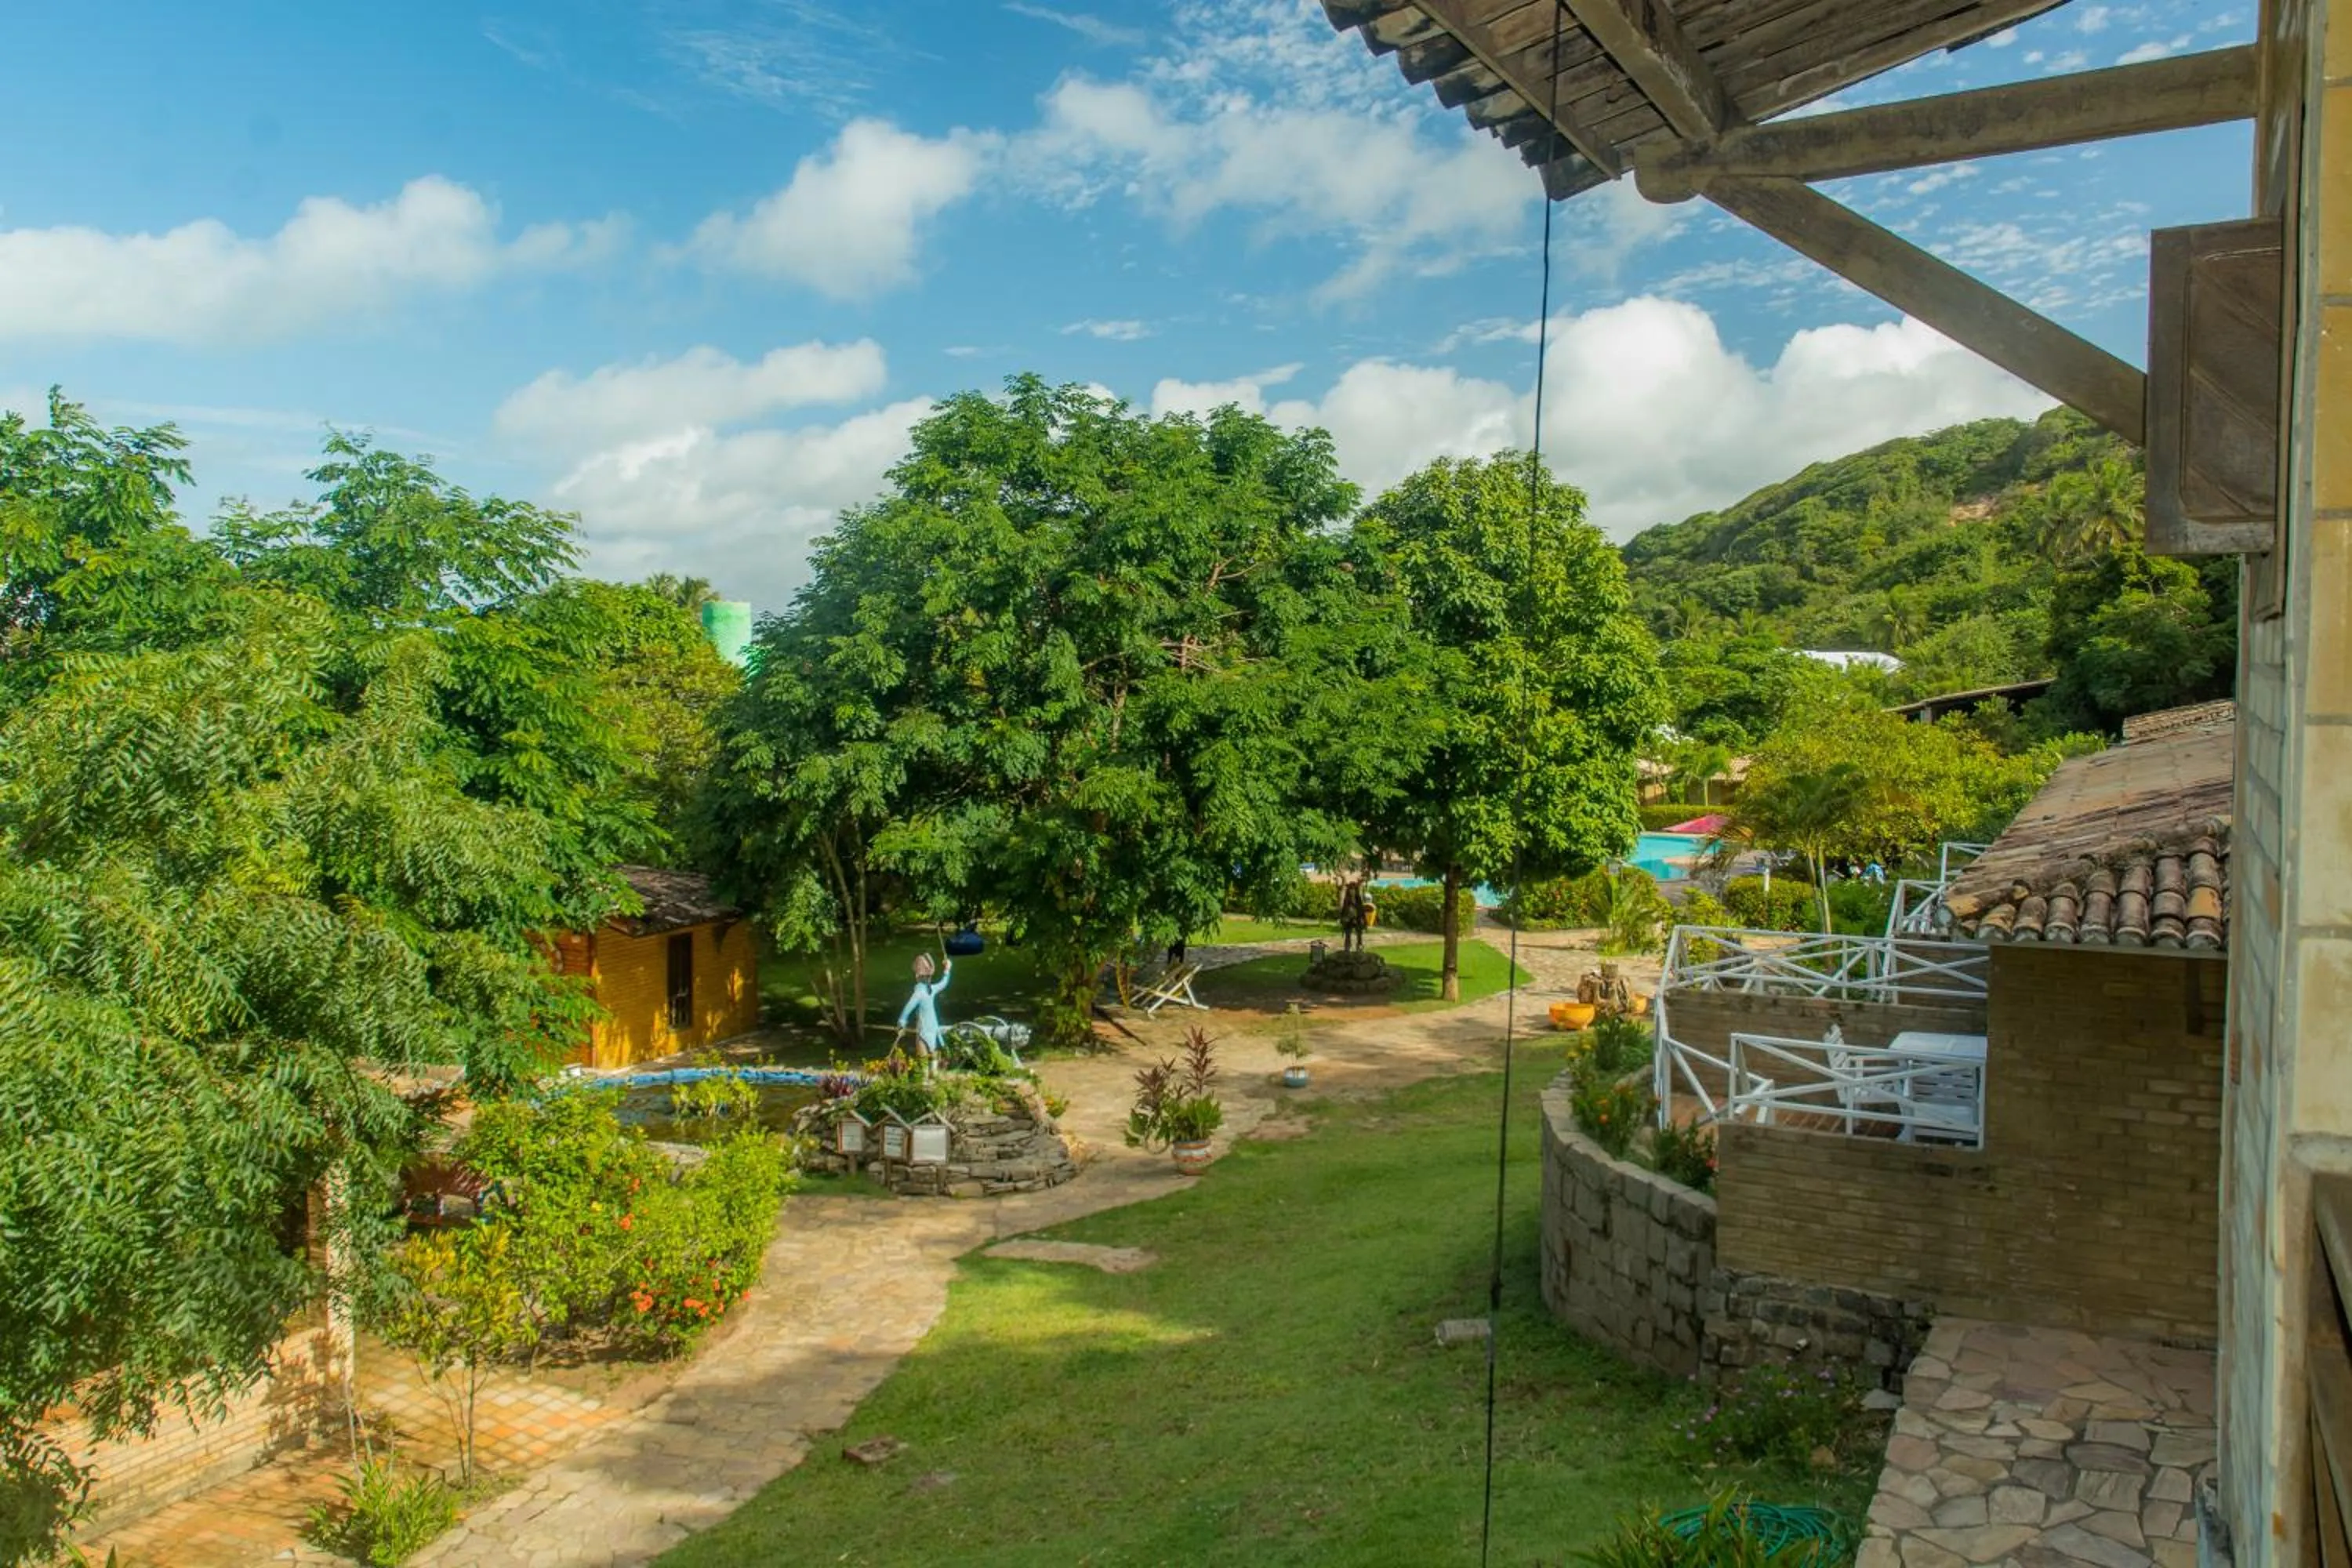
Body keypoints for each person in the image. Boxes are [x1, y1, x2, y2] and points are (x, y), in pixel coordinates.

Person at [898, 953, 953, 1072]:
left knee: (923, 1055)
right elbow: (944, 983)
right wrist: (947, 970)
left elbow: (907, 1009)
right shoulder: (931, 990)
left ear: (917, 976)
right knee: (933, 1052)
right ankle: (933, 1075)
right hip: (933, 1027)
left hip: (923, 1029)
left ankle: (925, 1078)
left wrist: (901, 1024)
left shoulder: (919, 993)